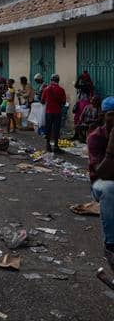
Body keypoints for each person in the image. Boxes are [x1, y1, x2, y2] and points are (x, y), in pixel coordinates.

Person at [87, 96, 114, 269]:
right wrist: (112, 149)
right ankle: (111, 244)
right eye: (111, 115)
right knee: (109, 188)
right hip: (100, 183)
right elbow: (100, 173)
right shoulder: (96, 137)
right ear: (104, 116)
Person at [41, 74, 67, 154]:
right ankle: (56, 146)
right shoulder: (61, 90)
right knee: (56, 129)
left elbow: (42, 101)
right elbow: (63, 102)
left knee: (48, 128)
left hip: (49, 112)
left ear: (51, 80)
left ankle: (48, 145)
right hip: (57, 112)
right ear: (58, 80)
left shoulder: (46, 89)